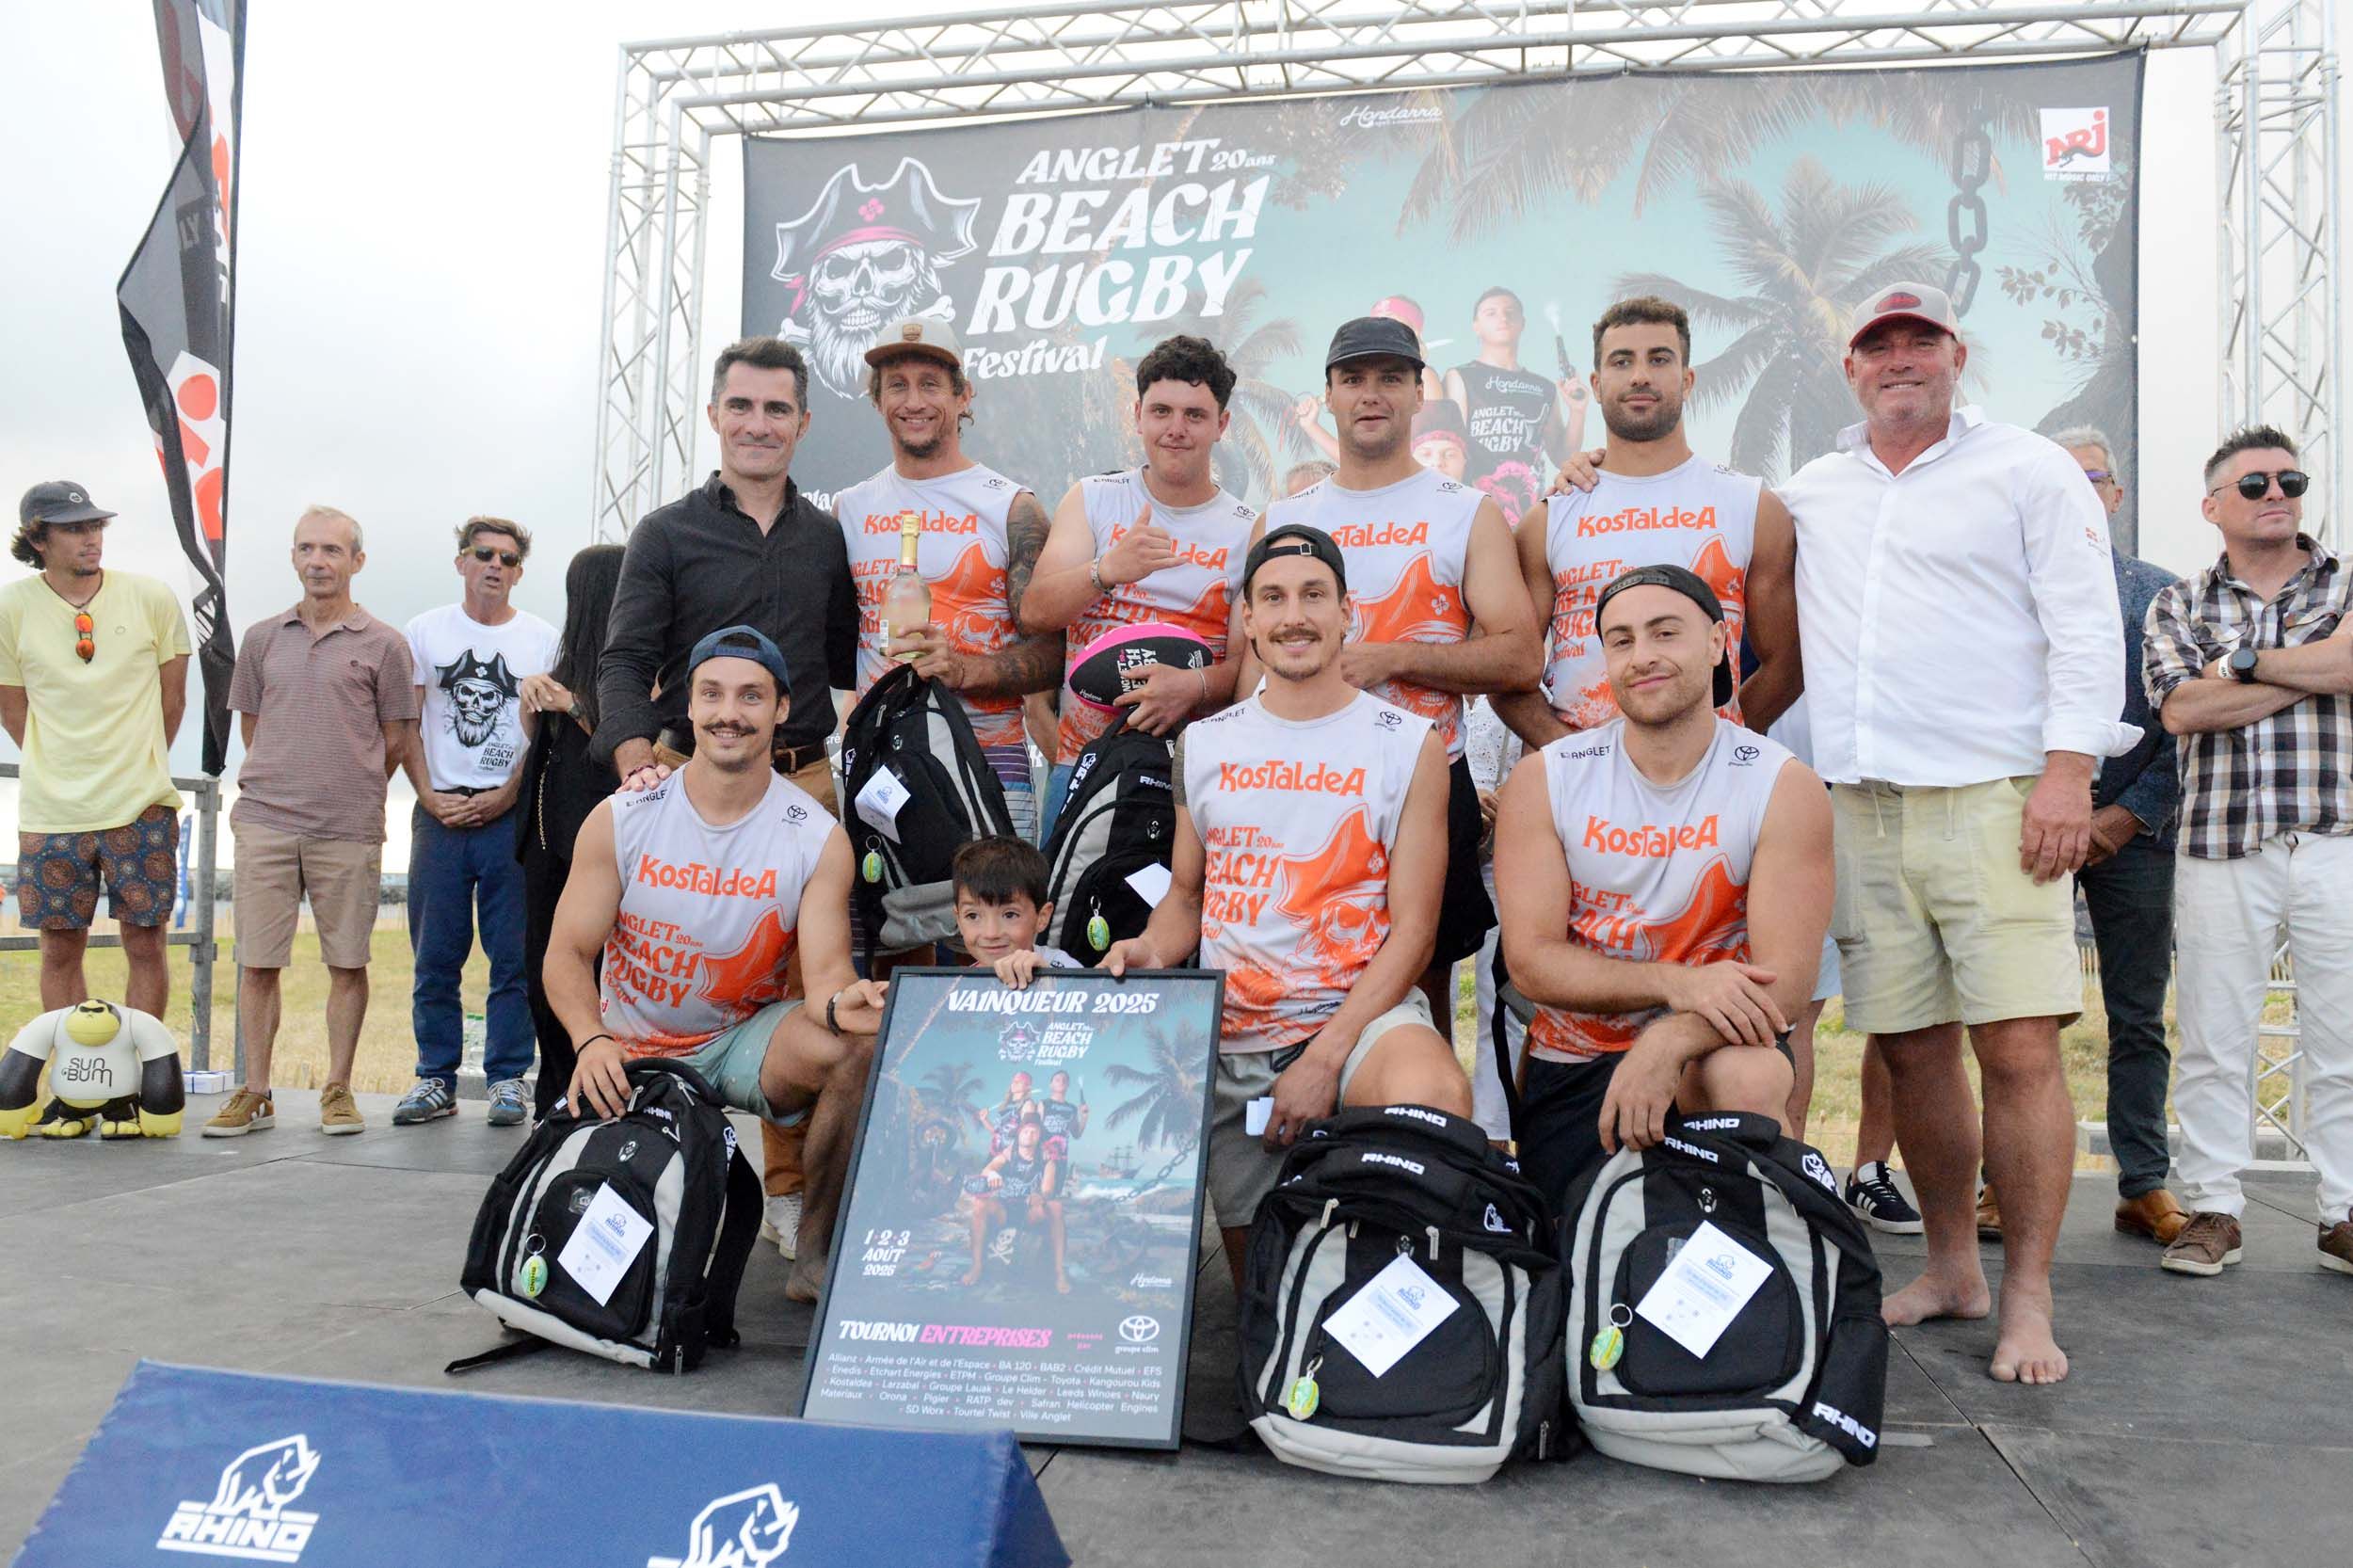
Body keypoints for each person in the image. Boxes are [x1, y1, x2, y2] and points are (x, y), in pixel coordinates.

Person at [1778, 283, 2138, 1384]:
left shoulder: (2027, 467)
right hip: (1860, 804)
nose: (1899, 359)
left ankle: (2026, 1294)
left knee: (2019, 1048)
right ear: (1850, 367)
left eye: (1919, 341)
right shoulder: (1811, 490)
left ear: (1955, 355)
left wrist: (2068, 773)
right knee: (1909, 1049)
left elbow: (2087, 625)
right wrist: (1581, 474)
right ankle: (1950, 1270)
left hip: (2000, 796)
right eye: (1877, 345)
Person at [1106, 523, 1474, 1292]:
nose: (1294, 615)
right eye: (1272, 599)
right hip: (1236, 1040)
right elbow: (1186, 897)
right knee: (1265, 1305)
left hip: (1360, 1020)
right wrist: (1149, 949)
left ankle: (1411, 1319)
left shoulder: (1408, 744)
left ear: (1347, 612)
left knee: (1433, 1096)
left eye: (1313, 595)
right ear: (1247, 620)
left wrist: (1326, 1057)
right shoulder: (1205, 744)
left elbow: (1415, 931)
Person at [594, 334, 859, 1259]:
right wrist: (639, 765)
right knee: (680, 970)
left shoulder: (827, 538)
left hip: (805, 780)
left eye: (776, 409)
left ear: (803, 423)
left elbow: (840, 658)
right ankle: (649, 1163)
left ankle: (790, 1198)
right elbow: (624, 659)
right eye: (740, 406)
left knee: (806, 989)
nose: (757, 424)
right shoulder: (665, 533)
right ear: (714, 416)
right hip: (685, 780)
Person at [543, 625, 885, 1300]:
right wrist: (590, 1041)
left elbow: (825, 979)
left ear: (782, 709)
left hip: (739, 1040)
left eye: (751, 696)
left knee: (859, 1050)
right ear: (689, 706)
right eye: (713, 694)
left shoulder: (816, 836)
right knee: (592, 1275)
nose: (731, 713)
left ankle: (816, 1256)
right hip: (630, 1048)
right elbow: (566, 955)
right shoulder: (624, 816)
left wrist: (846, 1003)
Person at [1495, 565, 1830, 1209]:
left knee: (1751, 1074)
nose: (1642, 656)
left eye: (1665, 633)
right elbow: (1531, 962)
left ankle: (1765, 1247)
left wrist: (1670, 1038)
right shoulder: (1549, 778)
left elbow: (1785, 987)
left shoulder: (1779, 783)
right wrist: (1676, 985)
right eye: (1620, 641)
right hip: (1577, 1060)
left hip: (1709, 1051)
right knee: (1582, 1260)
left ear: (1717, 643)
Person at [1257, 315, 1543, 1019]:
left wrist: (1397, 657)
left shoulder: (1465, 511)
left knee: (1425, 989)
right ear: (1328, 394)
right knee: (1292, 979)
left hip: (1426, 781)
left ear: (1419, 394)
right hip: (1299, 780)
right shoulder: (1283, 518)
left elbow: (1520, 655)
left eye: (1391, 378)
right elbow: (1248, 673)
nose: (1371, 394)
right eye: (1352, 378)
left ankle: (1424, 1095)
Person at [2144, 424, 2353, 1280]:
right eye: (2256, 484)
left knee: (2345, 1036)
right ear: (2213, 507)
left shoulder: (2348, 579)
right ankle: (2213, 1208)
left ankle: (2344, 1214)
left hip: (2337, 837)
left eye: (2289, 482)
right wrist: (2309, 665)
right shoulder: (2177, 602)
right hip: (2220, 842)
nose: (2277, 495)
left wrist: (2239, 665)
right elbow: (2182, 711)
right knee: (2213, 1037)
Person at [1497, 295, 1800, 745]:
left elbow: (1787, 664)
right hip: (1578, 778)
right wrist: (1576, 759)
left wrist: (1718, 747)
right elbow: (1507, 672)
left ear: (1687, 379)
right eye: (1622, 361)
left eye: (1659, 359)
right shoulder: (1548, 519)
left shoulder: (1753, 507)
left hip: (1712, 777)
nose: (1640, 375)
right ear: (1597, 384)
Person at [202, 506, 417, 1138]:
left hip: (347, 827)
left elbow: (397, 738)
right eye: (307, 549)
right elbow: (252, 727)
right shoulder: (262, 638)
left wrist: (350, 786)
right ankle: (255, 1090)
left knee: (347, 963)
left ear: (357, 561)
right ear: (293, 557)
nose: (318, 561)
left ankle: (339, 1088)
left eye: (332, 550)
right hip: (266, 821)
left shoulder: (385, 644)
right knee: (257, 962)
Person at [835, 316, 1063, 843]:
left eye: (931, 384)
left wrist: (963, 669)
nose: (914, 401)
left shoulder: (1013, 507)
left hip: (991, 761)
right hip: (883, 763)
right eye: (897, 385)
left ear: (963, 396)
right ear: (877, 401)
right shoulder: (849, 510)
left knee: (997, 903)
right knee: (883, 902)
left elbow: (1054, 654)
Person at [1020, 335, 1257, 826]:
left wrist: (1193, 685)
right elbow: (1035, 611)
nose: (1176, 429)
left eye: (1195, 415)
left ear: (1222, 425)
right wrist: (1105, 571)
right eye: (1161, 411)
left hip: (1193, 772)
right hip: (1084, 764)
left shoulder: (1247, 528)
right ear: (1137, 416)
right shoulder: (1093, 497)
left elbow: (1246, 667)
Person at [2045, 426, 2185, 1246]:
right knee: (2021, 1018)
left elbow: (2188, 724)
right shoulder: (2009, 592)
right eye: (2057, 479)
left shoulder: (2164, 595)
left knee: (2137, 1015)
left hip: (2137, 832)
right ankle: (2006, 1183)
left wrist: (2125, 815)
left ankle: (2144, 1183)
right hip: (2034, 825)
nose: (2076, 493)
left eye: (2090, 478)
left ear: (2116, 495)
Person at [0, 482, 190, 1018]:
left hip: (141, 804)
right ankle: (72, 1066)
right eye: (74, 529)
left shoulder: (152, 597)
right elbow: (12, 707)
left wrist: (136, 761)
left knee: (147, 944)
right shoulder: (10, 607)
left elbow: (173, 699)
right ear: (38, 539)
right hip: (52, 811)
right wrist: (60, 762)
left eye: (94, 526)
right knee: (59, 950)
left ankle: (141, 1063)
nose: (91, 538)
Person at [395, 518, 558, 1129]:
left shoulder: (542, 640)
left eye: (507, 559)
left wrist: (508, 796)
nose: (495, 565)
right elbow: (406, 724)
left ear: (519, 572)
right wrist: (428, 795)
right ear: (461, 561)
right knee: (435, 955)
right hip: (439, 815)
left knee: (512, 956)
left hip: (507, 818)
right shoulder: (424, 632)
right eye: (483, 553)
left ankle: (508, 1078)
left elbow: (545, 737)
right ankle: (434, 1077)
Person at [516, 544, 625, 1122]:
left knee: (601, 967)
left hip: (602, 841)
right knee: (544, 967)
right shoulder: (559, 668)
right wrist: (534, 702)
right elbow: (538, 748)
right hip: (545, 842)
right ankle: (554, 1095)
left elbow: (621, 741)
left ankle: (602, 1090)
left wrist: (573, 703)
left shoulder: (633, 674)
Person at [1442, 287, 1588, 525]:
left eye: (1510, 312)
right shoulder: (1459, 377)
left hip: (1528, 516)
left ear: (1522, 323)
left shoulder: (1543, 387)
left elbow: (1562, 456)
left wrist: (1578, 411)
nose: (1502, 317)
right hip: (1474, 514)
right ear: (1476, 326)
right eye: (1491, 313)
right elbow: (1452, 445)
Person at [952, 834, 1080, 985]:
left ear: (1042, 917)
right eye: (973, 916)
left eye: (1010, 915)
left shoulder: (1062, 968)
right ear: (958, 920)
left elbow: (1086, 996)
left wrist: (1048, 980)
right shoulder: (958, 987)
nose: (991, 933)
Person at [963, 1116, 1068, 1293]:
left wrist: (1040, 1196)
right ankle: (976, 1266)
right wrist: (992, 1174)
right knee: (980, 1204)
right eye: (1026, 1130)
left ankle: (1059, 1272)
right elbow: (988, 1169)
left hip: (1028, 1212)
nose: (1029, 1134)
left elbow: (1048, 1189)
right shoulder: (1008, 1154)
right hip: (1004, 1209)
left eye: (1034, 1131)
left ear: (1040, 1136)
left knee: (1055, 1207)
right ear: (1019, 1133)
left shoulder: (1047, 1159)